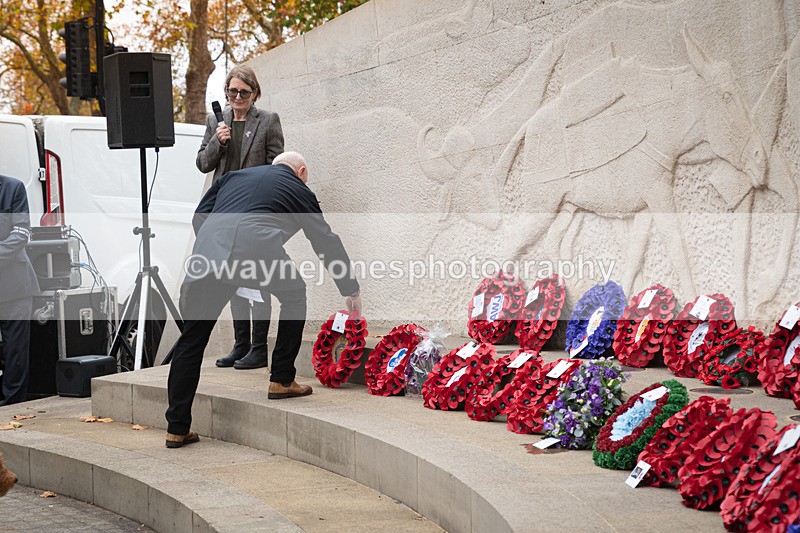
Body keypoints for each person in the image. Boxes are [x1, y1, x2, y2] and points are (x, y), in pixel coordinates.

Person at [165, 151, 362, 448]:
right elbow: (324, 240)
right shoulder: (299, 189)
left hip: (208, 255)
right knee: (294, 294)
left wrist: (218, 255)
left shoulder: (233, 176)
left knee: (192, 338)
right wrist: (350, 288)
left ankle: (176, 428)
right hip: (255, 251)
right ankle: (282, 379)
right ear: (302, 171)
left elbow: (199, 216)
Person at [196, 64, 284, 371]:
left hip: (255, 211)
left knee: (257, 277)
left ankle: (259, 348)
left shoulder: (268, 121)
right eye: (232, 91)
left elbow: (278, 166)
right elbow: (203, 164)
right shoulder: (214, 121)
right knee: (232, 278)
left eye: (243, 92)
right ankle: (241, 344)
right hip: (224, 210)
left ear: (255, 93)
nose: (237, 97)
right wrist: (217, 142)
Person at [0, 174, 39, 405]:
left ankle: (12, 404)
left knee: (15, 351)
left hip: (15, 285)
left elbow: (21, 233)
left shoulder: (13, 188)